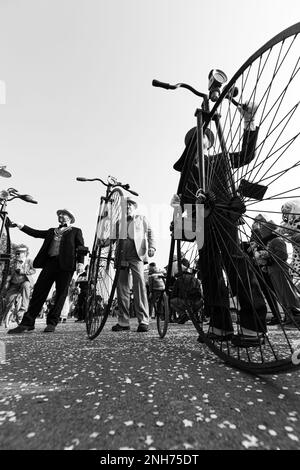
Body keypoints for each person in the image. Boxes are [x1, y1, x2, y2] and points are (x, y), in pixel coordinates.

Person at [172, 101, 268, 347]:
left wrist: (248, 122)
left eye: (204, 138)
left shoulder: (220, 159)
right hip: (202, 225)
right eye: (196, 139)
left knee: (235, 262)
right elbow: (185, 210)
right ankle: (219, 326)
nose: (200, 142)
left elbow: (246, 155)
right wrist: (177, 209)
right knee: (209, 272)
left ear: (209, 144)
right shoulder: (186, 178)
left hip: (224, 215)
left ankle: (252, 325)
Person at [7, 208, 85, 334]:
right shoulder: (51, 231)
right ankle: (27, 323)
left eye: (64, 214)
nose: (61, 215)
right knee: (39, 291)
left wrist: (81, 262)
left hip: (66, 265)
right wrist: (21, 225)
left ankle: (52, 323)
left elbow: (81, 247)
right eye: (59, 214)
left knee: (61, 294)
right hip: (50, 263)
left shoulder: (75, 231)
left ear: (70, 218)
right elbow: (35, 233)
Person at [112, 197, 156, 332]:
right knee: (122, 289)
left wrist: (152, 247)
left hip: (137, 256)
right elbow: (112, 239)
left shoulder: (141, 219)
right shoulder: (119, 222)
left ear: (134, 207)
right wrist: (103, 243)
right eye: (125, 206)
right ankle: (123, 322)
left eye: (130, 205)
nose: (128, 207)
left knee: (140, 286)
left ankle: (143, 320)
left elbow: (150, 233)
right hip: (121, 256)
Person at [2, 244, 36, 323]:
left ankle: (23, 310)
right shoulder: (12, 262)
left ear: (25, 253)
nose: (17, 254)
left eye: (19, 253)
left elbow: (33, 270)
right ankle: (8, 315)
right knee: (8, 298)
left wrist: (23, 272)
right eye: (16, 253)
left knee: (26, 286)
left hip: (25, 281)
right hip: (14, 284)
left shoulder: (29, 261)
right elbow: (7, 272)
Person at [169, 259, 203, 324]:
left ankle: (182, 314)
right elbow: (200, 293)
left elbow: (174, 293)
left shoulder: (179, 279)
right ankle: (197, 315)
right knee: (199, 301)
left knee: (171, 301)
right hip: (197, 302)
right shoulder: (196, 280)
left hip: (185, 302)